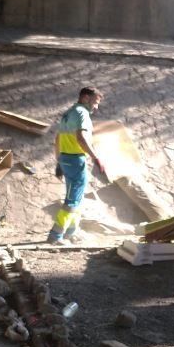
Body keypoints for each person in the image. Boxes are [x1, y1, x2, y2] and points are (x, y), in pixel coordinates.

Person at [47, 87, 105, 245]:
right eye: (95, 102)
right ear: (86, 98)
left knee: (76, 197)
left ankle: (72, 231)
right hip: (75, 160)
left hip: (66, 158)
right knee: (72, 200)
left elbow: (58, 138)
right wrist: (96, 157)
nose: (96, 106)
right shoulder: (82, 113)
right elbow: (81, 138)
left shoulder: (69, 113)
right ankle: (56, 235)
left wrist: (58, 160)